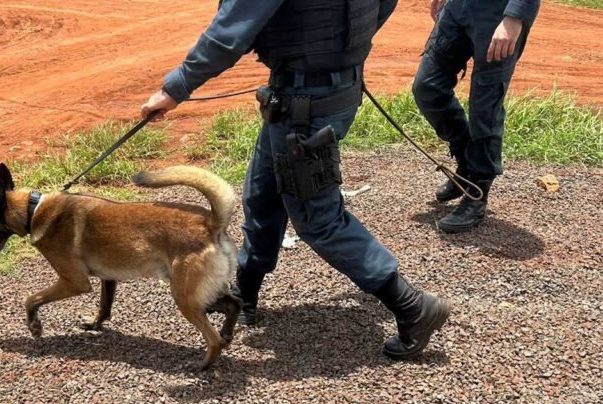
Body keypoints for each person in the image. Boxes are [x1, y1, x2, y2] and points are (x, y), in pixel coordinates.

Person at [141, 0, 450, 359]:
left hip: (305, 104)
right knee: (263, 194)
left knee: (319, 218)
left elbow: (230, 32)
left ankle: (413, 306)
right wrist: (343, 51)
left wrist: (174, 88)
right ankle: (246, 291)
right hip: (325, 91)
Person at [413, 0, 540, 233]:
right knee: (427, 87)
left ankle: (477, 190)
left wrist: (514, 17)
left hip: (498, 13)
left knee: (485, 106)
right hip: (458, 7)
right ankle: (466, 161)